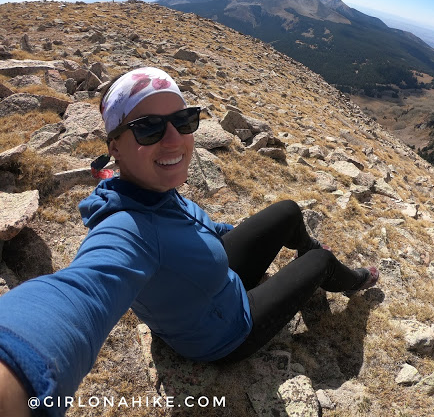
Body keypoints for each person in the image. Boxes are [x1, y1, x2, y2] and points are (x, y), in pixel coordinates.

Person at [0, 66, 379, 416]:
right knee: (319, 264)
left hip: (213, 281)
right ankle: (351, 280)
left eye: (183, 121)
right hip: (224, 332)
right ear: (115, 146)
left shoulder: (149, 186)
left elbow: (200, 226)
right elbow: (77, 296)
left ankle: (312, 256)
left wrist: (237, 237)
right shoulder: (130, 230)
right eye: (148, 128)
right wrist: (16, 364)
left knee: (288, 211)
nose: (173, 139)